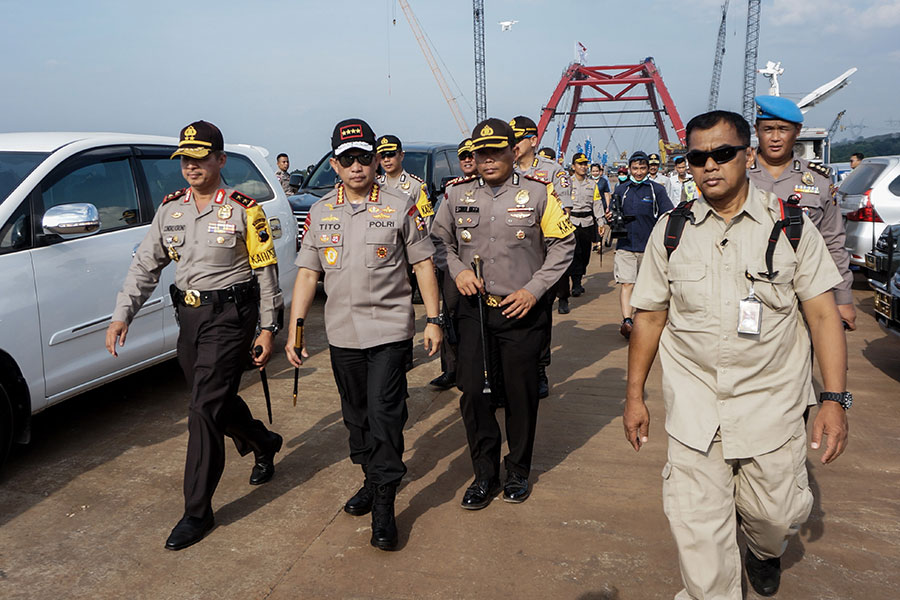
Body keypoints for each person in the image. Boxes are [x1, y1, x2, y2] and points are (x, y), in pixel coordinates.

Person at [624, 109, 850, 599]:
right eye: (698, 157)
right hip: (696, 411)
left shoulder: (790, 226)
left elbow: (823, 316)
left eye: (723, 153)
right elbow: (649, 317)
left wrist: (834, 399)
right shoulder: (672, 231)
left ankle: (764, 550)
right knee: (701, 545)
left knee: (776, 517)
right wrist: (634, 396)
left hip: (771, 406)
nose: (710, 165)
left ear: (747, 156)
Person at [105, 121, 284, 551]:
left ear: (220, 160)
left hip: (231, 316)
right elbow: (145, 265)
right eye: (185, 158)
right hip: (189, 317)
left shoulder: (244, 209)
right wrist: (122, 314)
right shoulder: (171, 209)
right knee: (213, 398)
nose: (191, 166)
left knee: (202, 408)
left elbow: (265, 272)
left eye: (200, 158)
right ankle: (263, 441)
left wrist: (267, 327)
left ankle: (197, 513)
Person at [285, 119, 442, 551]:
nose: (356, 166)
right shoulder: (320, 212)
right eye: (347, 159)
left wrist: (434, 319)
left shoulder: (400, 206)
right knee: (356, 419)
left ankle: (385, 504)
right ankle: (371, 478)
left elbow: (423, 264)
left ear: (375, 161)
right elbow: (308, 273)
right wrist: (296, 329)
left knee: (384, 414)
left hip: (389, 330)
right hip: (342, 334)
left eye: (364, 158)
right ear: (335, 165)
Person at [431, 118, 574, 510]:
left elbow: (563, 244)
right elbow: (438, 240)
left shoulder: (539, 193)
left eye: (496, 151)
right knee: (473, 394)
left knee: (519, 395)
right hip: (474, 312)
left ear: (513, 151)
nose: (488, 159)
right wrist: (457, 271)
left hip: (521, 311)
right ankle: (484, 475)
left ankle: (517, 471)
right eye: (481, 153)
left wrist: (534, 290)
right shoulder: (456, 195)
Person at [748, 95, 857, 330]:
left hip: (802, 293)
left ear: (797, 131)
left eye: (783, 129)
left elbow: (832, 242)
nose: (775, 137)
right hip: (747, 291)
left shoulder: (818, 180)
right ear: (756, 131)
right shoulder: (738, 176)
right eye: (768, 129)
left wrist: (842, 297)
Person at [509, 114, 572, 397]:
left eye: (517, 140)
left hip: (542, 254)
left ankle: (539, 369)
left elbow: (563, 214)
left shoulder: (552, 171)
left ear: (533, 141)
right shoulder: (505, 169)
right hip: (512, 255)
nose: (513, 145)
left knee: (540, 316)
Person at [607, 151, 673, 339]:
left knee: (648, 286)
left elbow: (667, 214)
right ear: (629, 169)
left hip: (649, 246)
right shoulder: (621, 190)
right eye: (635, 168)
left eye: (642, 168)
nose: (638, 172)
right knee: (627, 283)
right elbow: (612, 212)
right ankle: (627, 321)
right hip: (625, 245)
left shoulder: (656, 190)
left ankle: (643, 321)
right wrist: (610, 217)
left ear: (648, 169)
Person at [430, 139, 479, 389]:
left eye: (471, 155)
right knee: (449, 315)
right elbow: (439, 232)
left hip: (484, 263)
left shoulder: (492, 186)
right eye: (463, 157)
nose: (468, 160)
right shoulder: (452, 189)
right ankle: (451, 369)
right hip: (454, 263)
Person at [565, 152, 605, 305]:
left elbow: (597, 204)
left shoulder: (592, 184)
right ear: (573, 166)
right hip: (572, 222)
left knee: (585, 254)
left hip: (587, 223)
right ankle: (576, 283)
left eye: (585, 164)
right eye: (580, 164)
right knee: (575, 253)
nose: (583, 167)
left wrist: (600, 222)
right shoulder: (567, 183)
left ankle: (579, 277)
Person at [375, 134, 434, 221]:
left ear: (401, 155)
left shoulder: (415, 185)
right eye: (382, 156)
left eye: (390, 154)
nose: (386, 160)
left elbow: (426, 219)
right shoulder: (375, 184)